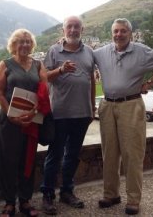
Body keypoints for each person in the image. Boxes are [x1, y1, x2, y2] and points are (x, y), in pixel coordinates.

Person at [94, 18, 153, 215]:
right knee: (109, 153)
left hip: (131, 106)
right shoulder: (101, 52)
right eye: (115, 31)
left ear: (130, 33)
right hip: (107, 106)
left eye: (123, 31)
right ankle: (111, 194)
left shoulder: (142, 51)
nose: (118, 34)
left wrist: (149, 83)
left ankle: (133, 200)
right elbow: (80, 53)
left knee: (133, 154)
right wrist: (62, 43)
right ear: (111, 33)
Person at [40, 16, 96, 215]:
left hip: (81, 113)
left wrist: (92, 107)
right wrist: (61, 69)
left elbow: (91, 79)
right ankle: (47, 195)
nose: (73, 30)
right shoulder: (54, 51)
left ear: (82, 29)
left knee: (72, 154)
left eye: (76, 27)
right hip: (59, 113)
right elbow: (44, 77)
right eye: (69, 27)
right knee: (55, 155)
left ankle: (67, 191)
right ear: (63, 30)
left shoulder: (89, 52)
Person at [0, 28, 47, 217]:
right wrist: (10, 114)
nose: (24, 45)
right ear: (13, 45)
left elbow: (44, 91)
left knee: (28, 161)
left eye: (27, 41)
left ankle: (25, 201)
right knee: (8, 162)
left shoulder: (38, 65)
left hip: (31, 121)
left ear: (32, 44)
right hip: (9, 122)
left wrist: (34, 112)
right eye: (20, 41)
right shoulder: (5, 64)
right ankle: (9, 203)